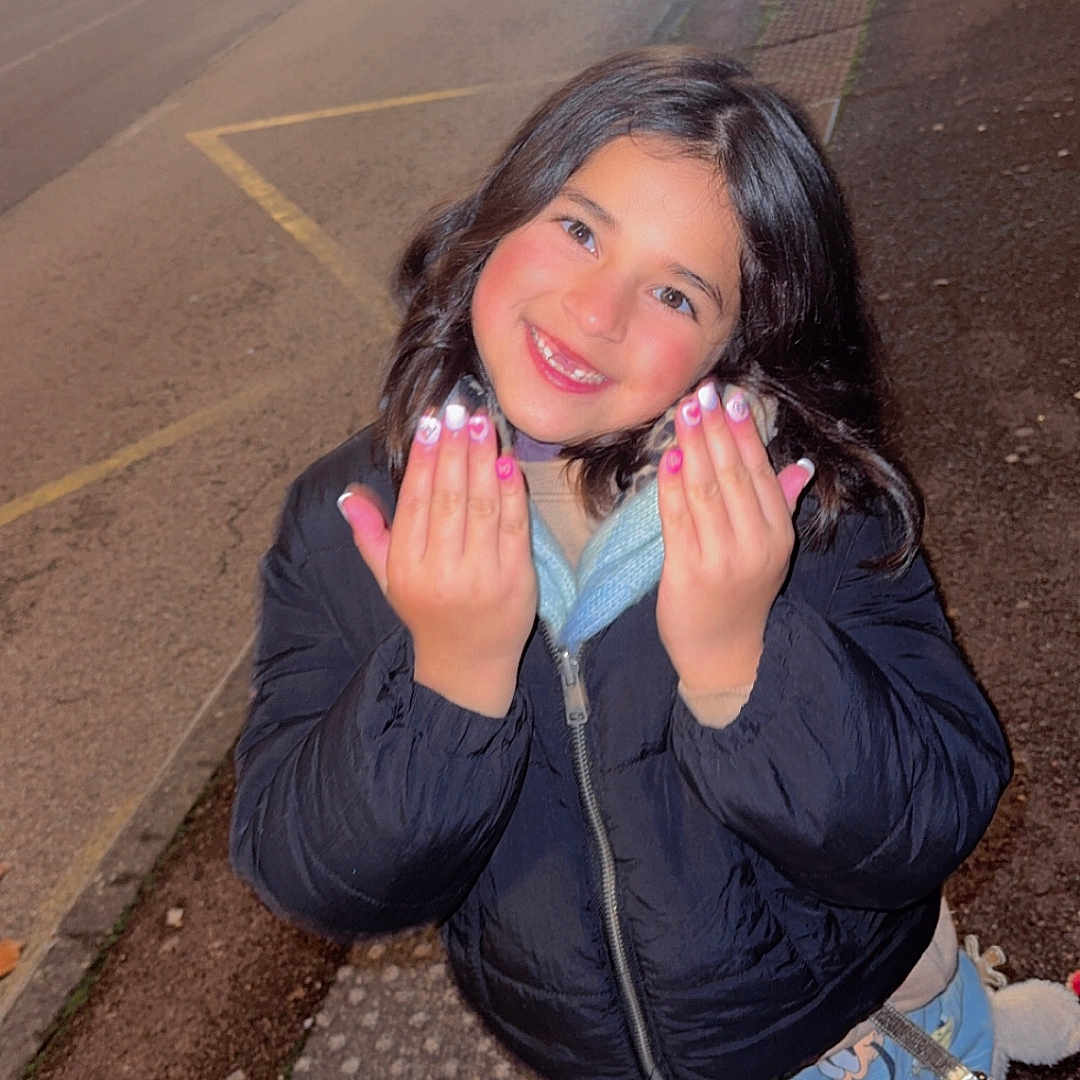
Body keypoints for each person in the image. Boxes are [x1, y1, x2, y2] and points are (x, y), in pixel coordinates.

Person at [230, 48, 1011, 1080]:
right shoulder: (348, 520)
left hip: (843, 1043)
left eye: (679, 296)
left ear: (740, 347)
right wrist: (452, 679)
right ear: (499, 218)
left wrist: (743, 661)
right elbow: (313, 873)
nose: (595, 314)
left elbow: (934, 812)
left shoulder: (803, 497)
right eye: (579, 228)